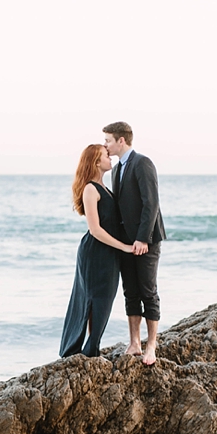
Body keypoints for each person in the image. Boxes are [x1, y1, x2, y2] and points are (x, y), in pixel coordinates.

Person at [60, 144, 135, 358]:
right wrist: (124, 247)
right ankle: (87, 350)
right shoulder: (90, 189)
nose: (109, 158)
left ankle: (93, 347)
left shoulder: (105, 187)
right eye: (105, 156)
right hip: (95, 253)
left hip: (109, 253)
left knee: (104, 300)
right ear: (95, 162)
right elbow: (95, 230)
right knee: (93, 300)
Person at [103, 121, 166, 366]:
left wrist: (142, 238)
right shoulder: (117, 169)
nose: (105, 145)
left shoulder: (142, 163)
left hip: (146, 240)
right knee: (130, 291)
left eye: (108, 140)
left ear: (121, 140)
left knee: (148, 292)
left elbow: (151, 203)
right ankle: (134, 343)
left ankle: (151, 345)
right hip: (125, 242)